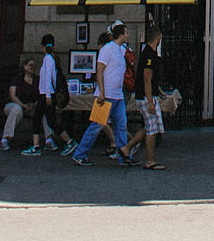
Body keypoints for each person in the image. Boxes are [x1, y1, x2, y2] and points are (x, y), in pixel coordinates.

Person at [69, 20, 133, 166]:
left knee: (121, 125)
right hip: (106, 95)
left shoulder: (121, 49)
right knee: (97, 126)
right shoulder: (107, 49)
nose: (128, 35)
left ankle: (123, 156)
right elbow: (99, 70)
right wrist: (102, 92)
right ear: (121, 34)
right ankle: (80, 153)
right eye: (126, 33)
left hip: (117, 95)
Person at [133, 29, 167, 171]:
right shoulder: (149, 54)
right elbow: (147, 79)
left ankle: (127, 148)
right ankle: (150, 160)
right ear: (157, 38)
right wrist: (150, 102)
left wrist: (158, 91)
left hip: (148, 95)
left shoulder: (149, 53)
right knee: (152, 129)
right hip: (147, 97)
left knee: (148, 126)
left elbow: (151, 80)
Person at [36, 35, 69, 151]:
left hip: (46, 94)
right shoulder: (52, 58)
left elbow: (48, 78)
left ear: (42, 46)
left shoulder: (48, 58)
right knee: (43, 119)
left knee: (51, 121)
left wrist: (48, 95)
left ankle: (69, 141)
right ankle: (35, 145)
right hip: (46, 93)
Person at [3, 59, 41, 151]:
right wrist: (23, 106)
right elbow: (13, 96)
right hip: (16, 104)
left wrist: (34, 105)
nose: (32, 67)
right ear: (24, 66)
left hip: (32, 106)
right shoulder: (16, 79)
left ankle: (49, 139)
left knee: (43, 110)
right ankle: (6, 138)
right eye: (30, 65)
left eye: (33, 65)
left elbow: (41, 95)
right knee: (16, 109)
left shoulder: (37, 80)